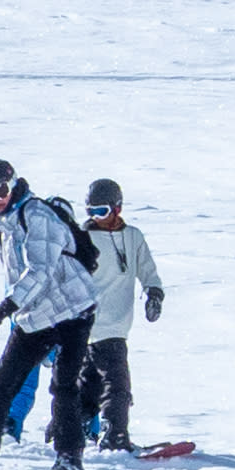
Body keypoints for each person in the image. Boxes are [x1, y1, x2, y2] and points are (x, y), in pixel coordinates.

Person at [0, 154, 98, 470]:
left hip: (74, 311)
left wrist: (6, 307)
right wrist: (16, 308)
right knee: (0, 386)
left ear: (14, 181)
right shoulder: (5, 223)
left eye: (1, 189)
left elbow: (41, 271)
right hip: (36, 314)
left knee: (63, 385)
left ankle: (70, 460)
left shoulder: (36, 214)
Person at [81, 176, 168, 452]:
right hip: (86, 326)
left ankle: (87, 431)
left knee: (93, 383)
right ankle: (113, 434)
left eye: (102, 212)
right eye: (91, 212)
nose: (96, 218)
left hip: (117, 325)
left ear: (117, 209)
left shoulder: (133, 237)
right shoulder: (82, 239)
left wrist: (154, 292)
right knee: (114, 386)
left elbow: (147, 268)